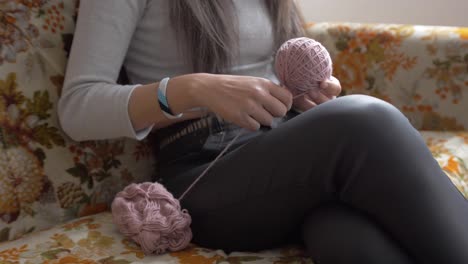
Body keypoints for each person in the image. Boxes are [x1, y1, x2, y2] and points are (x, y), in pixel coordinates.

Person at [58, 0, 468, 263]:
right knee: (365, 119)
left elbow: (282, 75)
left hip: (287, 151)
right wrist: (195, 87)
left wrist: (306, 96)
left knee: (345, 233)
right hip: (206, 170)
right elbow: (78, 107)